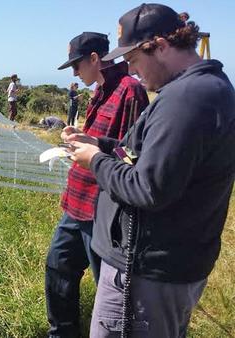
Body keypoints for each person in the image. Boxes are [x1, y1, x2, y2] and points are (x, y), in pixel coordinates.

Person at [66, 4, 235, 337]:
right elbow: (141, 154)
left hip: (146, 276)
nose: (132, 70)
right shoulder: (197, 90)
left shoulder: (187, 100)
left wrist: (95, 161)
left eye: (132, 60)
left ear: (159, 46)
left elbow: (149, 188)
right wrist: (100, 144)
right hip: (156, 268)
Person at [45, 32, 148, 338]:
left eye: (77, 65)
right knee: (58, 267)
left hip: (102, 209)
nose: (75, 73)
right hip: (76, 204)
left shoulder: (129, 91)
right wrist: (77, 138)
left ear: (94, 59)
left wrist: (96, 150)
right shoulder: (99, 91)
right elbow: (100, 140)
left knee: (108, 286)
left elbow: (132, 154)